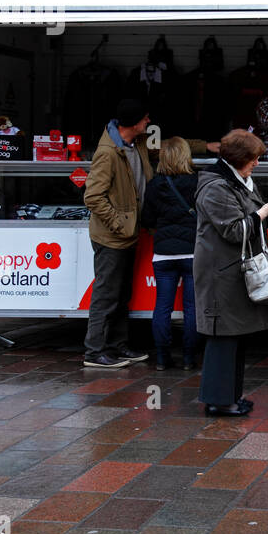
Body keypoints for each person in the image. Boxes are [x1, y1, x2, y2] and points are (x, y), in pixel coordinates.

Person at [194, 129, 268, 416]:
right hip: (220, 274)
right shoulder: (216, 187)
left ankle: (230, 396)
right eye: (254, 158)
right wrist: (265, 211)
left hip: (232, 272)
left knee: (234, 337)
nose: (257, 163)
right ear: (238, 158)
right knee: (224, 337)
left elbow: (253, 219)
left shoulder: (239, 180)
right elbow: (234, 230)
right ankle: (220, 401)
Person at [82, 98, 154, 369]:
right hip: (112, 237)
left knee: (121, 294)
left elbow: (167, 147)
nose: (148, 122)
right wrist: (119, 224)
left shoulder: (136, 145)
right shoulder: (108, 153)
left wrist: (206, 147)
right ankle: (94, 351)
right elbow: (93, 196)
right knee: (106, 294)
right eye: (145, 119)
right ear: (134, 123)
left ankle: (117, 346)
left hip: (127, 234)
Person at [141, 137, 199, 371]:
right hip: (192, 252)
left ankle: (163, 359)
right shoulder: (197, 181)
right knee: (192, 308)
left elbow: (147, 220)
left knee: (162, 307)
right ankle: (188, 358)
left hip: (163, 254)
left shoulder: (155, 184)